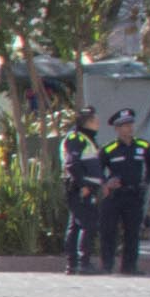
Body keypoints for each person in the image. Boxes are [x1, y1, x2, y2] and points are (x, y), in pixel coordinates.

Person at [98, 108, 150, 275]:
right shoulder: (109, 149)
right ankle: (107, 265)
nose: (129, 128)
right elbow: (98, 170)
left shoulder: (143, 146)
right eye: (124, 125)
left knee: (133, 231)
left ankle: (130, 266)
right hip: (115, 196)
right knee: (109, 231)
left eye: (130, 124)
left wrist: (146, 182)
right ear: (117, 128)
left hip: (134, 194)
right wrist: (106, 183)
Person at [59, 106, 107, 273]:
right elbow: (72, 163)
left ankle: (74, 264)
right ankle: (82, 262)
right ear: (89, 122)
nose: (98, 124)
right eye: (96, 121)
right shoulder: (76, 138)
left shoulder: (86, 139)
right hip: (79, 188)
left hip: (84, 187)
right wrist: (83, 185)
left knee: (77, 225)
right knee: (87, 224)